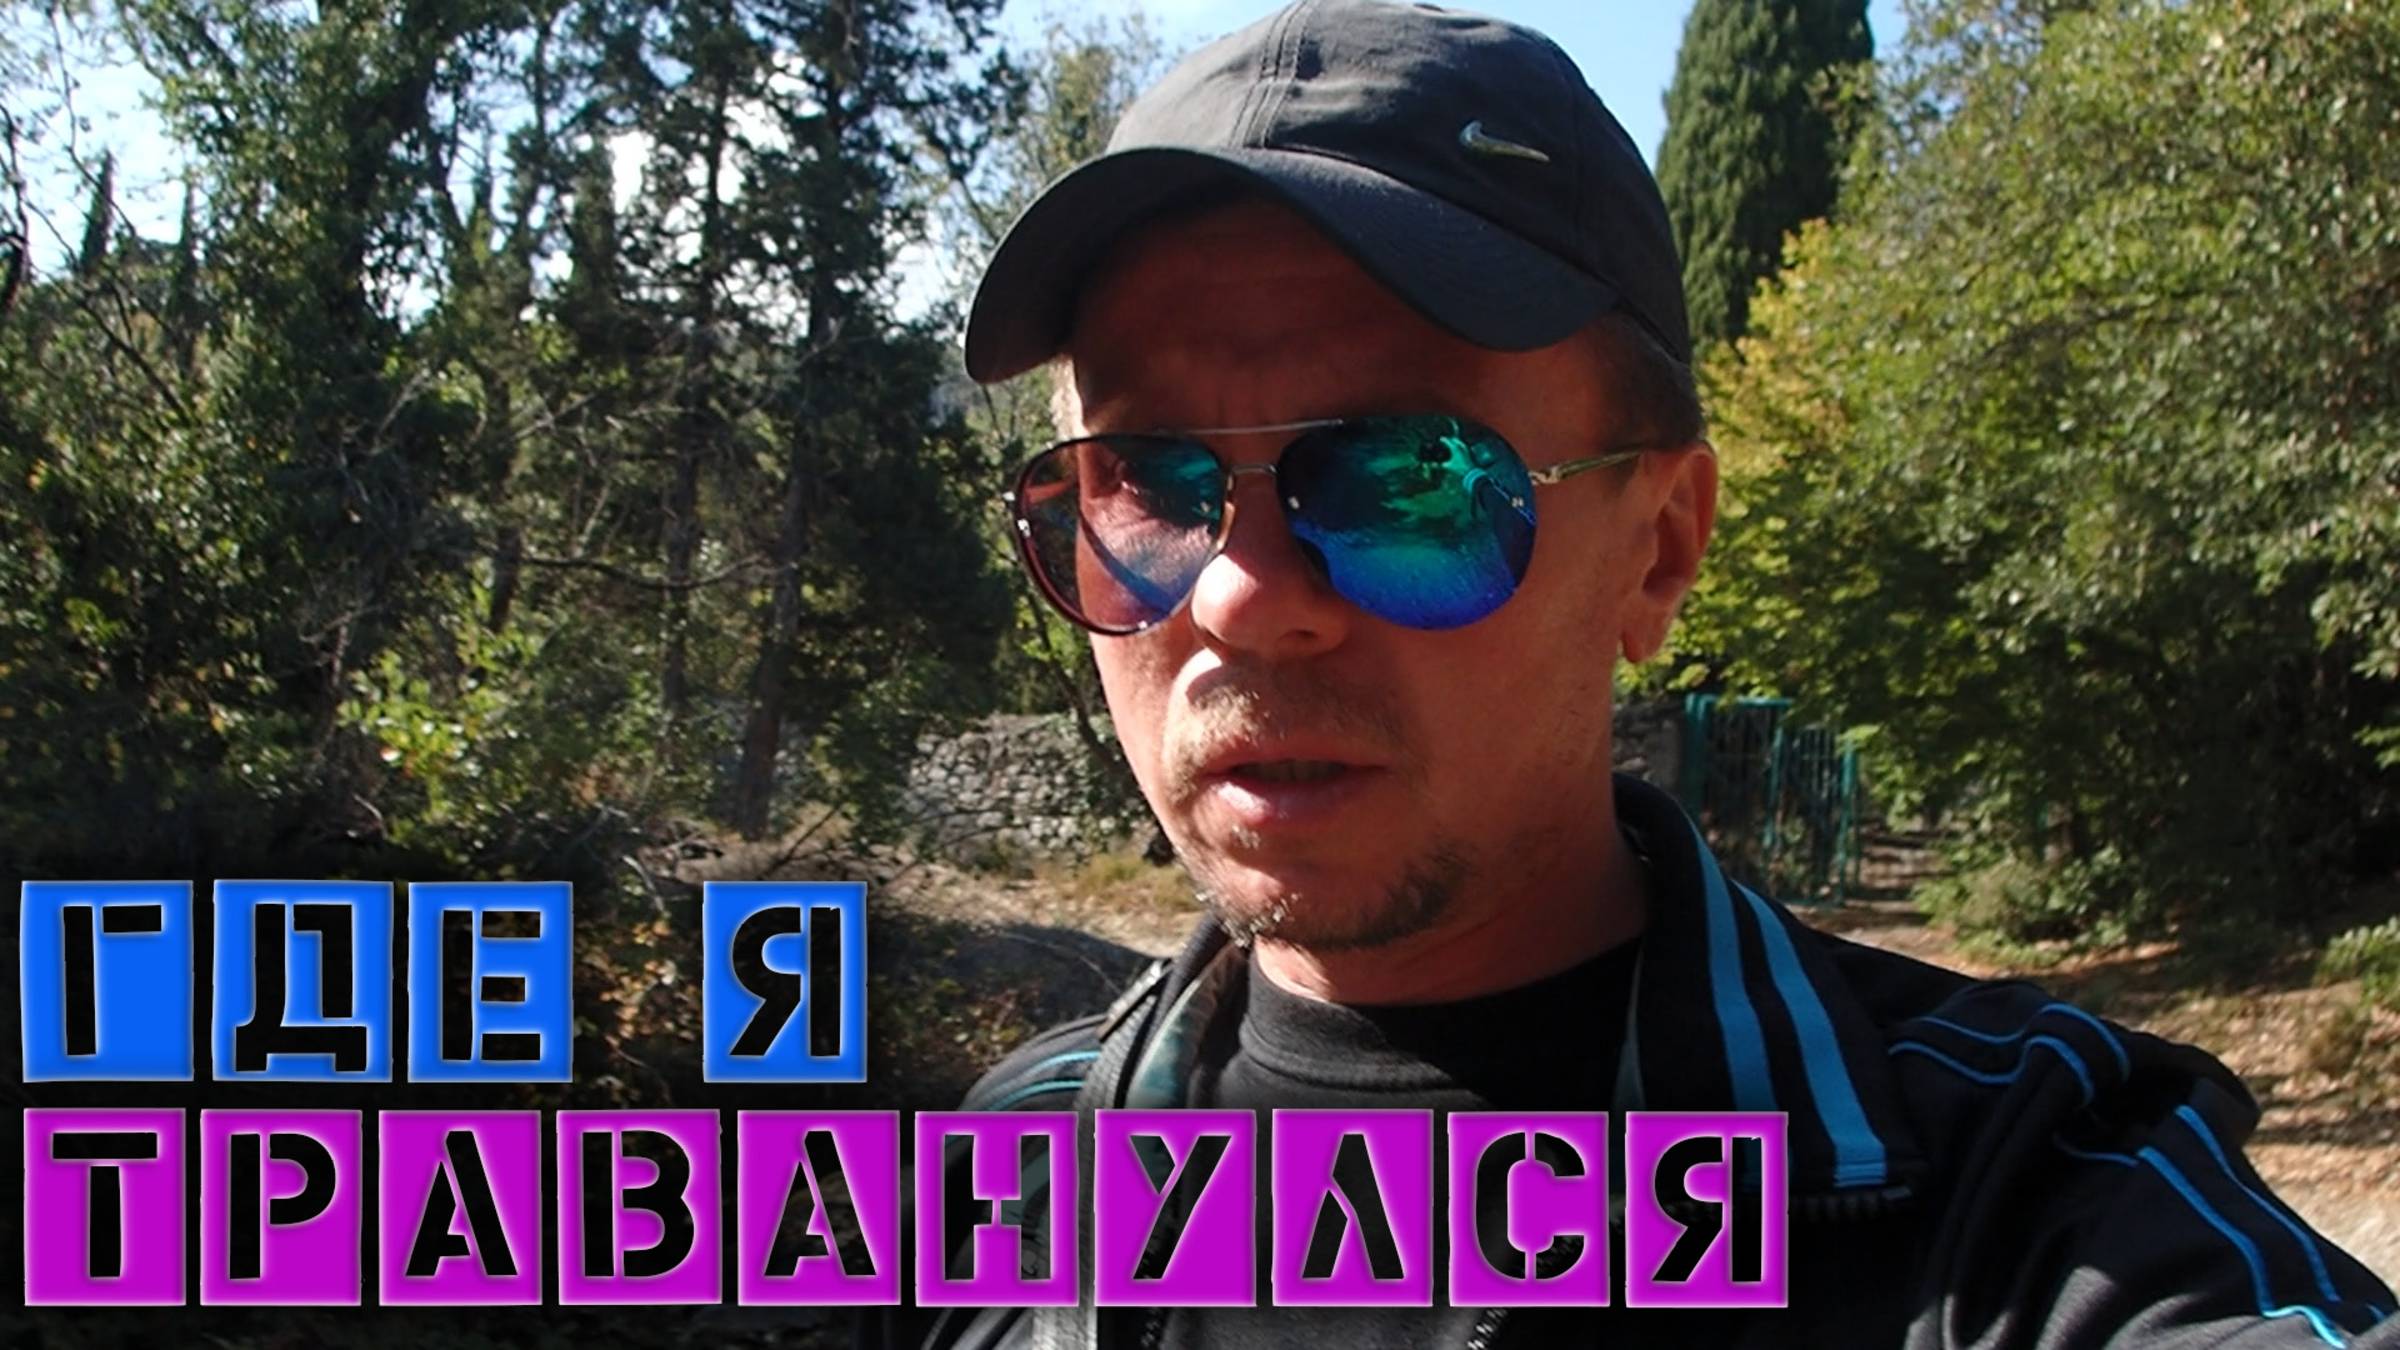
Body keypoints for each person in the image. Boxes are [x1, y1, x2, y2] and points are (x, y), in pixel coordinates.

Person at [874, 1, 2399, 1345]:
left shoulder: (2016, 1192)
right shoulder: (1009, 1164)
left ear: (1659, 549)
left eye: (1414, 477)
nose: (1243, 596)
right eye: (1147, 478)